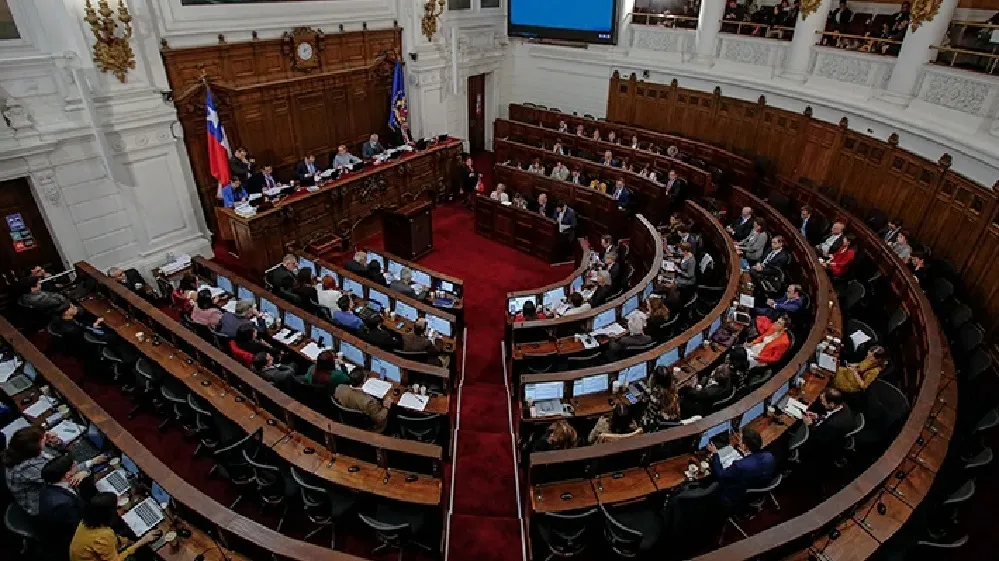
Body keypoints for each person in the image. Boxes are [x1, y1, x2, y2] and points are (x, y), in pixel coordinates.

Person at [69, 492, 162, 561]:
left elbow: (111, 540)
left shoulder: (86, 521)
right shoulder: (103, 535)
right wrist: (142, 541)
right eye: (116, 507)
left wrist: (128, 542)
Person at [38, 454, 91, 561]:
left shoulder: (48, 484)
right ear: (67, 475)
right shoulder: (63, 504)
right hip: (70, 542)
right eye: (73, 465)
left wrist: (85, 473)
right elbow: (81, 528)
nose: (76, 463)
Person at [708, 428, 776, 510]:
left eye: (740, 439)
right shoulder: (769, 456)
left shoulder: (739, 465)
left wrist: (715, 454)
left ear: (745, 446)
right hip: (758, 487)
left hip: (736, 494)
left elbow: (720, 475)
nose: (738, 440)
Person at [334, 367, 391, 433]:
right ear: (364, 380)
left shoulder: (339, 388)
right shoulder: (369, 401)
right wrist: (386, 407)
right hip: (370, 428)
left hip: (347, 422)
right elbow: (379, 419)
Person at [642, 366, 682, 431]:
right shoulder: (673, 388)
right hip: (672, 422)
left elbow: (644, 400)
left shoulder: (654, 396)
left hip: (656, 424)